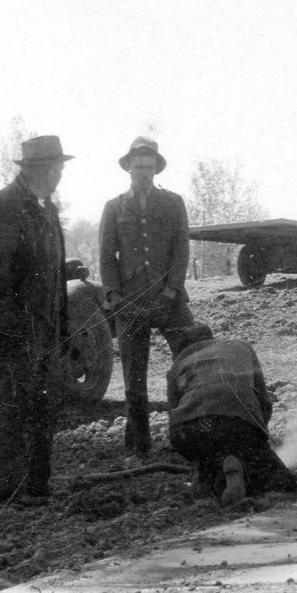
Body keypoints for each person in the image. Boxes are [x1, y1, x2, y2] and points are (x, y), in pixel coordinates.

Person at [0, 134, 72, 504]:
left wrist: (60, 329)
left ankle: (36, 485)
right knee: (9, 406)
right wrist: (8, 330)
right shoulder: (5, 208)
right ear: (44, 169)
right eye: (59, 167)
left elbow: (54, 275)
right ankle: (7, 489)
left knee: (43, 406)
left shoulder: (46, 210)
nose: (61, 174)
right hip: (15, 331)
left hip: (44, 329)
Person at [98, 136, 195, 458]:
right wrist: (113, 294)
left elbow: (181, 249)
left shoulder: (173, 202)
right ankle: (139, 446)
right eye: (138, 167)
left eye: (149, 167)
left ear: (156, 169)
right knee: (133, 380)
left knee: (192, 363)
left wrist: (171, 290)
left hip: (170, 299)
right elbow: (106, 256)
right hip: (130, 302)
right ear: (128, 168)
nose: (143, 172)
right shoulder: (114, 207)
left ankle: (188, 436)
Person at [162, 322, 297, 503]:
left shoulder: (176, 367)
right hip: (234, 423)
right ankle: (233, 465)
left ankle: (206, 475)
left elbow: (173, 414)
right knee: (279, 481)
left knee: (209, 453)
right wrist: (259, 438)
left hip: (188, 431)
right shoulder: (241, 346)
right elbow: (263, 400)